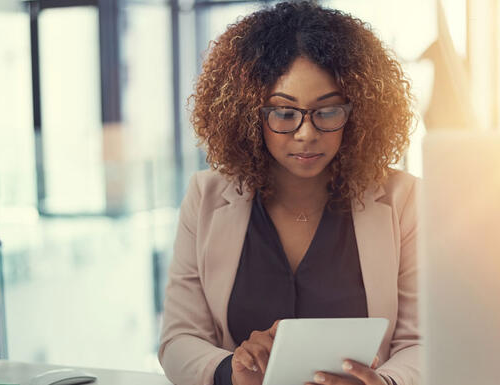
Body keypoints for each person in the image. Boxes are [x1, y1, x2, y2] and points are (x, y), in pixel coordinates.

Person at [158, 2, 419, 385]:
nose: (306, 133)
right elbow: (179, 339)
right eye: (284, 112)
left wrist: (386, 382)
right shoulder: (205, 197)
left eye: (327, 112)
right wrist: (230, 372)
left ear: (358, 111)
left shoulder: (404, 200)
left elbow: (423, 341)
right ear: (248, 114)